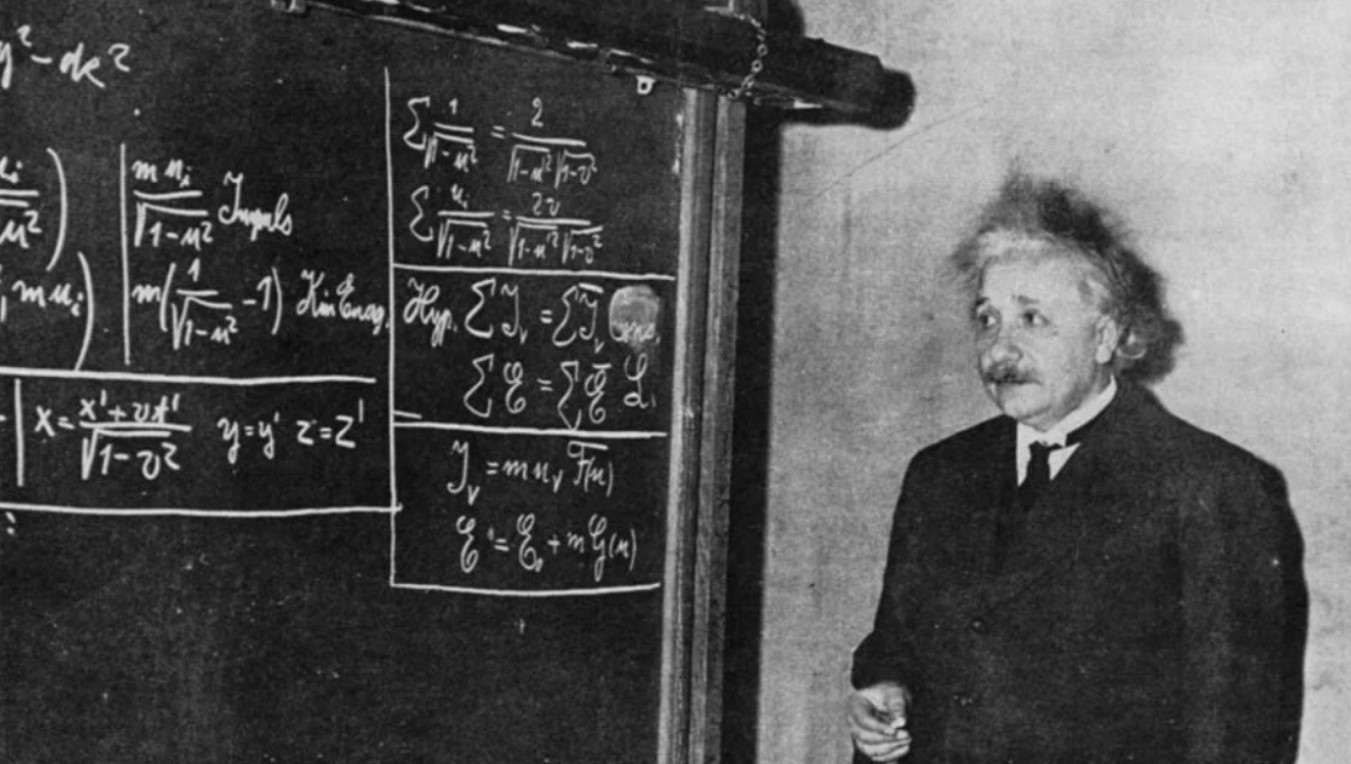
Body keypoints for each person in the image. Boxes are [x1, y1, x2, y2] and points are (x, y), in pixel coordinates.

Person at [847, 173, 1308, 764]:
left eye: (1031, 319)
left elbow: (1234, 730)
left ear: (1105, 337)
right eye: (987, 319)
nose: (999, 350)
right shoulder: (940, 473)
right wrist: (885, 690)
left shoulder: (1210, 484)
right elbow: (895, 642)